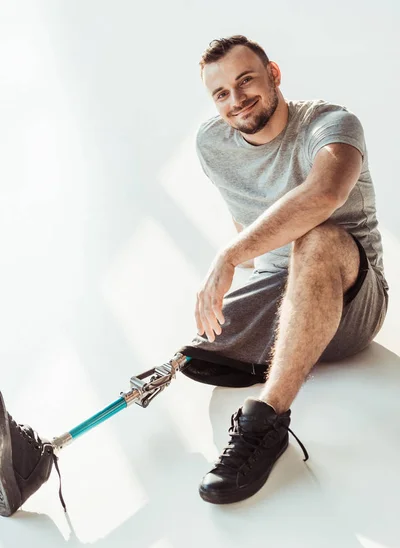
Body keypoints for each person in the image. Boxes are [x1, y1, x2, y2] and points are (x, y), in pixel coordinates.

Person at [0, 35, 389, 517]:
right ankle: (34, 457)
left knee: (319, 237)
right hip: (280, 293)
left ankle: (266, 421)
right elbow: (249, 232)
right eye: (220, 92)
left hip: (354, 297)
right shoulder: (213, 143)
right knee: (182, 356)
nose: (236, 99)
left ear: (274, 75)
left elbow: (325, 195)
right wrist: (242, 286)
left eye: (246, 80)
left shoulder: (331, 125)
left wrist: (228, 257)